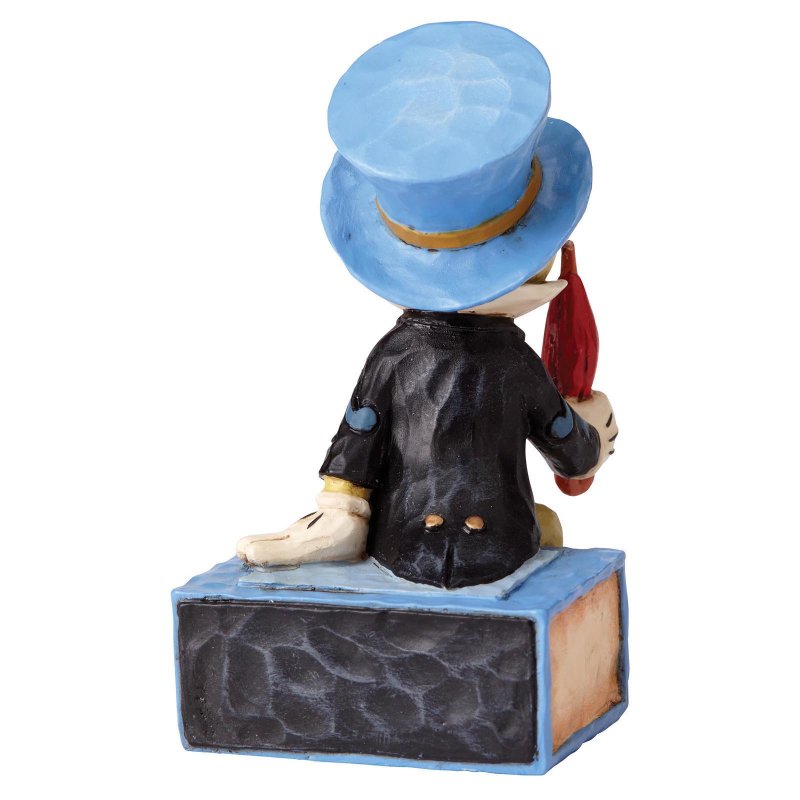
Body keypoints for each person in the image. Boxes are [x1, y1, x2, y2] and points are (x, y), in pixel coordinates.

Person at [237, 22, 618, 588]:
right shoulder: (513, 363)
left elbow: (357, 441)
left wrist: (340, 509)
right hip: (500, 544)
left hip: (402, 542)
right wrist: (597, 431)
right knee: (547, 527)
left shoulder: (393, 353)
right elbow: (572, 451)